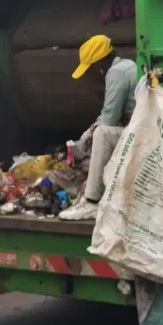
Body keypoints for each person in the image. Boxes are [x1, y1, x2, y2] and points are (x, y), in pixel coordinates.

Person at [59, 35, 137, 221]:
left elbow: (109, 119)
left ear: (100, 64)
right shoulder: (126, 66)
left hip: (142, 136)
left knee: (102, 133)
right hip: (138, 131)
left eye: (89, 70)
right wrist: (87, 134)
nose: (89, 76)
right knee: (99, 133)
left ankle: (92, 202)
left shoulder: (116, 73)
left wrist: (87, 138)